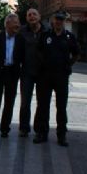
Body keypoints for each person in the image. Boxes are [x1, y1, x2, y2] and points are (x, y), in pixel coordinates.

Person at [33, 10, 79, 146]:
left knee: (61, 106)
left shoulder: (69, 37)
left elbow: (76, 54)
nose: (58, 22)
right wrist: (44, 64)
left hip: (61, 76)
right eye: (56, 19)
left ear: (64, 21)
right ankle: (42, 133)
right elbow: (38, 51)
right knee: (43, 106)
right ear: (53, 20)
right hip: (45, 76)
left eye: (61, 19)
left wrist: (67, 65)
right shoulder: (46, 35)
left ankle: (61, 135)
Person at [0, 13, 24, 137]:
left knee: (9, 102)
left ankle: (5, 129)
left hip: (12, 73)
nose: (18, 25)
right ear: (7, 24)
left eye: (18, 22)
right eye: (15, 23)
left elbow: (22, 57)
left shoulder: (20, 39)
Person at [17, 8, 48, 137]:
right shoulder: (22, 32)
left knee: (42, 103)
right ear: (26, 18)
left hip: (43, 73)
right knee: (25, 103)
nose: (32, 17)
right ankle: (24, 128)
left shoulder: (47, 31)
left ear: (39, 16)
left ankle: (39, 129)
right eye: (29, 15)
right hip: (26, 72)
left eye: (34, 14)